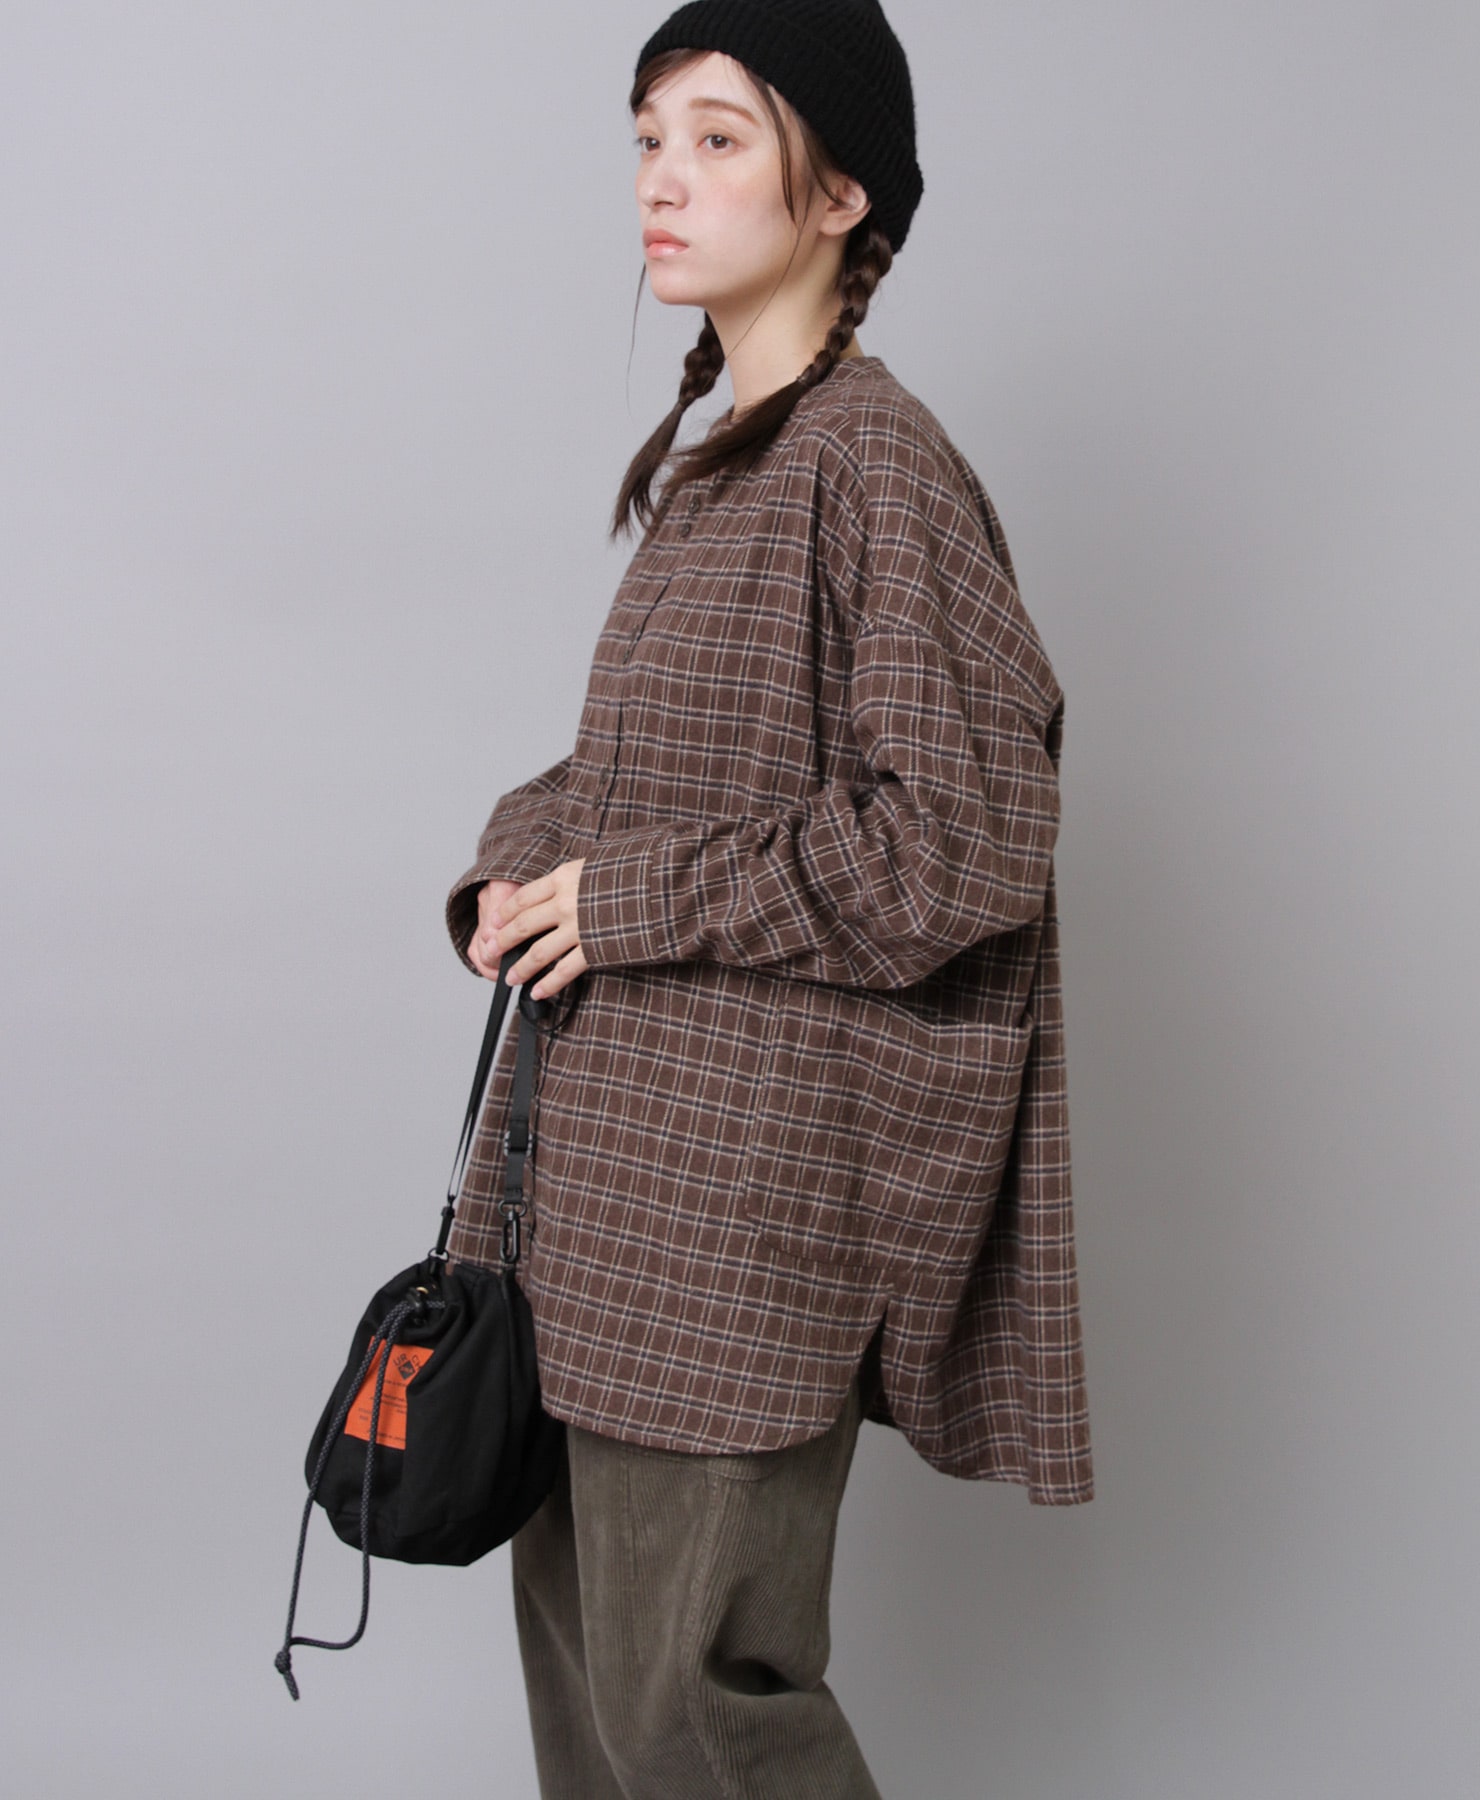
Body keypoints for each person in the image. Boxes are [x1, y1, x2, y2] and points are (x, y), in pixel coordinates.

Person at [442, 4, 1093, 1793]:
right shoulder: (727, 457)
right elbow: (642, 775)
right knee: (598, 1705)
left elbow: (959, 842)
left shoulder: (875, 463)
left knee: (693, 1714)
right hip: (603, 1193)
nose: (663, 179)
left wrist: (630, 896)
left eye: (719, 138)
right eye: (649, 138)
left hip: (742, 1221)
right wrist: (518, 869)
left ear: (840, 194)